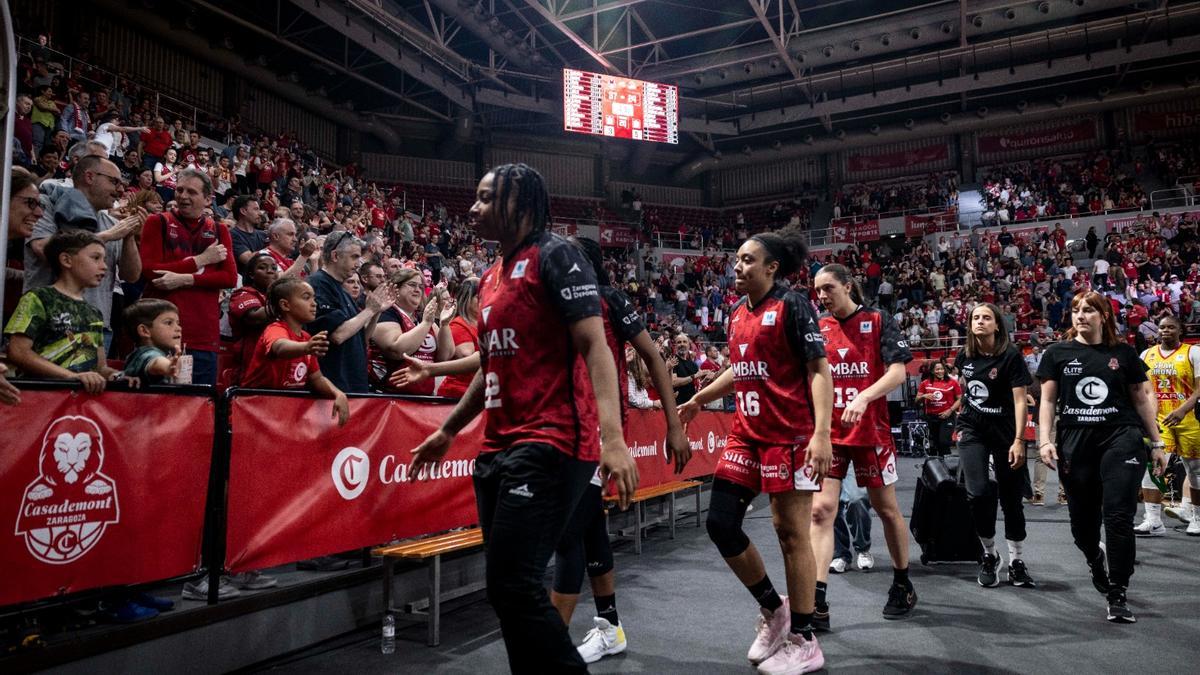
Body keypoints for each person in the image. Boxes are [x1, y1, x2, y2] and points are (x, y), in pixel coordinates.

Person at [409, 163, 637, 673]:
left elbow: (596, 347)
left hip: (551, 443)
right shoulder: (490, 276)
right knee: (507, 590)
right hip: (496, 450)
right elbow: (491, 364)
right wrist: (448, 429)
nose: (474, 208)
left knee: (515, 584)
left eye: (488, 198)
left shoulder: (558, 256)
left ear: (523, 203)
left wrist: (614, 439)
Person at [678, 225, 832, 674]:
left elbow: (819, 371)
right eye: (737, 259)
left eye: (748, 260)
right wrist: (700, 398)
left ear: (772, 267)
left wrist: (822, 434)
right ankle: (774, 608)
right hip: (747, 433)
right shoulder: (736, 313)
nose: (737, 266)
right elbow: (741, 368)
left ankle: (805, 638)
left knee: (790, 534)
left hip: (792, 436)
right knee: (720, 524)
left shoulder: (792, 305)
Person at [550, 236, 690, 665]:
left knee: (569, 533)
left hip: (599, 432)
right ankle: (609, 628)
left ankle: (550, 650)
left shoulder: (607, 299)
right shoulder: (556, 304)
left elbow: (652, 356)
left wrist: (674, 425)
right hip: (565, 429)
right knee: (589, 527)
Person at [1036, 291, 1168, 623]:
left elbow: (1140, 400)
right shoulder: (1057, 353)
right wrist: (1044, 441)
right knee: (1083, 528)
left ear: (1104, 316)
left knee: (1119, 516)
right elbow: (1048, 402)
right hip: (1075, 441)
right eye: (1076, 310)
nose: (1081, 316)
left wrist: (1157, 444)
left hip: (1121, 437)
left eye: (1089, 310)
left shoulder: (1123, 353)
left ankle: (1118, 591)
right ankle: (1095, 558)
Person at [810, 263, 917, 630]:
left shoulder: (878, 318)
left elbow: (899, 372)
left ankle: (902, 583)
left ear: (848, 285)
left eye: (828, 288)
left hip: (871, 432)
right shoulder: (818, 327)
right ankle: (817, 599)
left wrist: (863, 398)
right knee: (821, 510)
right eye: (818, 290)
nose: (822, 296)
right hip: (830, 435)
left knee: (885, 509)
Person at [955, 303, 1036, 588]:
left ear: (997, 325)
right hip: (972, 428)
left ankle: (1016, 560)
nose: (980, 321)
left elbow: (1018, 400)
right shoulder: (963, 355)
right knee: (976, 493)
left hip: (1005, 432)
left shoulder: (1011, 356)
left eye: (986, 317)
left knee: (1011, 499)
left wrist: (1019, 440)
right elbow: (967, 387)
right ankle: (989, 554)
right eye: (975, 318)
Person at [25, 156, 144, 347]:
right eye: (114, 181)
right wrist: (105, 236)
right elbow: (42, 249)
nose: (120, 190)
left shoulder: (112, 224)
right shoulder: (46, 207)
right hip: (51, 322)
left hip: (98, 326)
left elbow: (132, 275)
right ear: (89, 177)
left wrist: (129, 235)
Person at [139, 169, 237, 386]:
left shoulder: (219, 230)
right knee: (158, 407)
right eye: (179, 190)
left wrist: (185, 279)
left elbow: (229, 278)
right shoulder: (158, 222)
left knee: (199, 406)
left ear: (208, 199)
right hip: (161, 337)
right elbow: (151, 271)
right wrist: (200, 261)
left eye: (191, 192)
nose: (183, 196)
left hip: (204, 336)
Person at [5, 230, 123, 393]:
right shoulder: (39, 298)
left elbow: (100, 367)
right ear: (66, 260)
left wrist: (119, 377)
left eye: (104, 259)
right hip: (41, 401)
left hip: (78, 406)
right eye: (95, 258)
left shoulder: (94, 312)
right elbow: (18, 352)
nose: (104, 266)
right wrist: (69, 376)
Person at [305, 231, 395, 395]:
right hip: (333, 389)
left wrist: (375, 313)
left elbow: (362, 338)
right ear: (335, 255)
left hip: (352, 386)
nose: (358, 263)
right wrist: (370, 310)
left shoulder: (342, 290)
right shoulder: (318, 285)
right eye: (354, 257)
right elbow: (337, 335)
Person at [1134, 315, 1200, 537]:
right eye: (1162, 327)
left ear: (1180, 330)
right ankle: (1153, 520)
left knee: (1195, 470)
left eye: (1171, 327)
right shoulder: (1146, 354)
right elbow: (1142, 390)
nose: (1165, 331)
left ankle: (1197, 518)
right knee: (1153, 467)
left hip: (1189, 418)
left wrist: (1183, 410)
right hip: (1159, 419)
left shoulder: (1193, 352)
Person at [369, 268, 453, 395]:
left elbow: (445, 356)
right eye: (412, 285)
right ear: (396, 288)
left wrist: (444, 324)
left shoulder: (422, 317)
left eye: (421, 286)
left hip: (423, 397)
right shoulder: (386, 313)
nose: (418, 290)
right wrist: (426, 324)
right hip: (389, 396)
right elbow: (396, 350)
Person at [228, 253, 278, 385]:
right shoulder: (243, 293)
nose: (270, 271)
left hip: (276, 367)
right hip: (250, 370)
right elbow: (255, 318)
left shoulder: (277, 297)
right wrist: (286, 301)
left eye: (274, 268)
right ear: (251, 274)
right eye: (263, 267)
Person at [122, 299, 182, 386]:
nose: (179, 328)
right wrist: (167, 366)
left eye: (178, 323)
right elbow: (155, 361)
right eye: (169, 323)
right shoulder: (145, 353)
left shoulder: (138, 353)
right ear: (144, 331)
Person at [829, 473, 873, 574]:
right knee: (830, 504)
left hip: (854, 459)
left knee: (857, 499)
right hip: (831, 460)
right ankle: (840, 554)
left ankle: (863, 548)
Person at [916, 362, 961, 456]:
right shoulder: (925, 383)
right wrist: (924, 396)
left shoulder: (952, 382)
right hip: (931, 417)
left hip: (947, 416)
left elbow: (960, 399)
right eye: (937, 369)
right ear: (932, 371)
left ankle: (948, 467)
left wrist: (950, 410)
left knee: (944, 442)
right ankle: (937, 468)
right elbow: (917, 400)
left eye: (942, 369)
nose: (940, 371)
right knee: (934, 445)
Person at [228, 195, 267, 276]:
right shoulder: (232, 235)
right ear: (243, 211)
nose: (260, 213)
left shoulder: (263, 234)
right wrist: (273, 247)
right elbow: (248, 259)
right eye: (256, 209)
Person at [669, 333, 700, 403]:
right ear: (675, 346)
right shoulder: (672, 361)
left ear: (689, 345)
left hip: (691, 403)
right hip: (677, 404)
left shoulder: (693, 364)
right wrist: (693, 376)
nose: (682, 344)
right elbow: (673, 382)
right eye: (679, 342)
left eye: (684, 342)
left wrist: (706, 379)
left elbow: (697, 384)